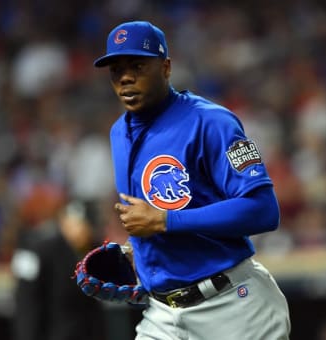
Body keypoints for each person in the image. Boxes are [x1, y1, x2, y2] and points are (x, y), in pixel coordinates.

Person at [95, 20, 291, 339]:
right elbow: (152, 213)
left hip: (233, 307)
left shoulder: (212, 122)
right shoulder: (119, 132)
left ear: (166, 67)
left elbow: (264, 210)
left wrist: (165, 222)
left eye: (137, 65)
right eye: (115, 69)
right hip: (163, 315)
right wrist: (141, 254)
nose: (125, 77)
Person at [11, 199, 107, 340]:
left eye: (85, 225)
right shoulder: (39, 250)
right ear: (64, 222)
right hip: (52, 332)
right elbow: (27, 303)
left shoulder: (96, 250)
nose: (80, 230)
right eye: (75, 224)